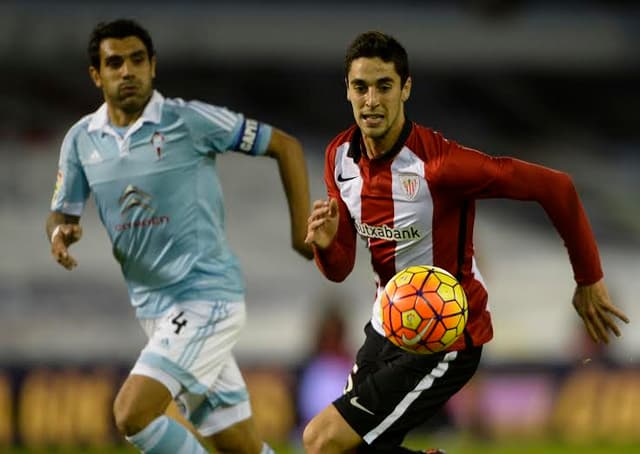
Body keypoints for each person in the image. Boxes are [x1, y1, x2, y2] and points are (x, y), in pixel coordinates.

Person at [302, 31, 629, 454]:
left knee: (322, 440)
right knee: (341, 448)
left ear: (406, 88)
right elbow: (340, 267)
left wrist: (589, 279)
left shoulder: (440, 165)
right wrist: (327, 246)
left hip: (446, 335)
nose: (371, 100)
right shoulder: (338, 158)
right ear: (346, 89)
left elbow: (557, 188)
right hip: (387, 325)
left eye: (384, 86)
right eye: (360, 87)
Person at [46, 18, 313, 454]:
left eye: (137, 60)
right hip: (154, 311)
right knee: (240, 447)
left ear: (153, 66)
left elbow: (285, 145)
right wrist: (60, 231)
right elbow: (61, 210)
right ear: (97, 74)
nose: (127, 71)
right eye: (115, 63)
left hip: (208, 299)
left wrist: (301, 232)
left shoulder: (187, 120)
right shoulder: (81, 140)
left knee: (131, 413)